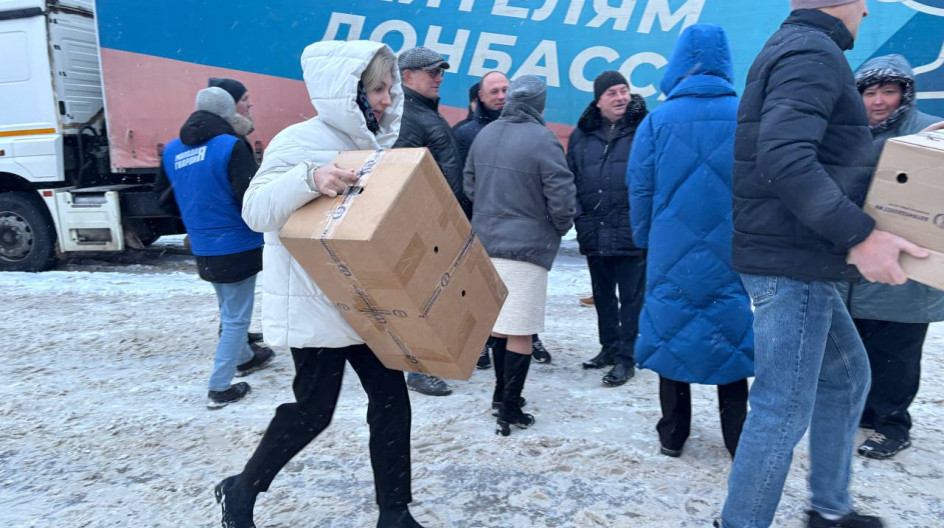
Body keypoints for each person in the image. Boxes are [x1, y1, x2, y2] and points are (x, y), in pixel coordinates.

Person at [720, 2, 928, 527]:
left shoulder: (802, 47)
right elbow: (785, 159)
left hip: (798, 256)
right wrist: (860, 235)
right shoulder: (811, 53)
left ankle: (830, 511)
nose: (867, 10)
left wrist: (916, 148)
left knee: (848, 377)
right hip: (794, 261)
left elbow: (825, 159)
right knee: (782, 406)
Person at [214, 41, 429, 528]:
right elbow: (255, 211)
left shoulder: (376, 148)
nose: (388, 99)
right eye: (379, 89)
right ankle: (240, 491)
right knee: (314, 411)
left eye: (390, 88)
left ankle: (394, 512)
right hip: (315, 302)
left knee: (392, 402)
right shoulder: (299, 140)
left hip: (366, 299)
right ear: (350, 91)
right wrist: (311, 178)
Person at [627, 24, 753, 458]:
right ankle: (736, 436)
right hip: (732, 246)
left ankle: (673, 433)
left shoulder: (657, 121)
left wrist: (645, 238)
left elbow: (640, 187)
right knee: (729, 333)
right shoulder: (746, 116)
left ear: (679, 62)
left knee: (673, 330)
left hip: (670, 248)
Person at [834, 55, 944, 459]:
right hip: (856, 267)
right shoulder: (847, 134)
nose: (879, 101)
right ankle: (862, 412)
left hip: (907, 269)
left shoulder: (929, 132)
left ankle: (892, 425)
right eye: (870, 93)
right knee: (856, 350)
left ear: (905, 94)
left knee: (897, 354)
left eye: (889, 91)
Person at [464, 75, 576, 436]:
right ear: (539, 105)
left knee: (499, 327)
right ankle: (510, 409)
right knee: (522, 332)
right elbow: (561, 194)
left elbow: (469, 184)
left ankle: (501, 397)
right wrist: (557, 226)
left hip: (486, 243)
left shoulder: (486, 134)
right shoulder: (543, 138)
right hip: (526, 247)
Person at [154, 87, 273, 410]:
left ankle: (245, 357)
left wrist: (196, 219)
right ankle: (219, 387)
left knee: (228, 308)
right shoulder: (230, 145)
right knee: (236, 318)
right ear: (227, 112)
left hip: (203, 244)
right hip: (237, 243)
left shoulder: (173, 150)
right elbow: (249, 196)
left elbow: (162, 199)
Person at [456, 71, 554, 368]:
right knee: (509, 318)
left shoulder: (516, 133)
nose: (500, 96)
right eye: (494, 91)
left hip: (498, 234)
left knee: (509, 315)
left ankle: (518, 356)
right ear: (480, 97)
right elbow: (465, 183)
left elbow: (470, 184)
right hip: (497, 236)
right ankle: (493, 365)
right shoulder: (469, 133)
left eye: (505, 90)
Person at [568, 70, 648, 387]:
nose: (620, 97)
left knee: (631, 298)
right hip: (595, 228)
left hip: (631, 230)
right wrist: (579, 215)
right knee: (603, 296)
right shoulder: (582, 134)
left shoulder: (644, 128)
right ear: (598, 101)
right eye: (612, 93)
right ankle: (609, 347)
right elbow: (570, 178)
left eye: (623, 90)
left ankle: (626, 358)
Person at [394, 46, 465, 397]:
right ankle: (418, 370)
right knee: (419, 297)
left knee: (429, 296)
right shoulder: (408, 115)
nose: (439, 78)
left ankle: (425, 362)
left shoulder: (421, 111)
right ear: (408, 76)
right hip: (422, 224)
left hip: (436, 220)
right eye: (432, 72)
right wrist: (424, 222)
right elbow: (401, 175)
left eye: (441, 72)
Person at [207, 76, 268, 348]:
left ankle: (237, 338)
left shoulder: (216, 137)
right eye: (244, 99)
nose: (249, 104)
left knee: (227, 297)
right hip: (234, 232)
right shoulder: (231, 141)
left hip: (213, 235)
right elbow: (245, 192)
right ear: (230, 104)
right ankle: (237, 350)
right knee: (235, 302)